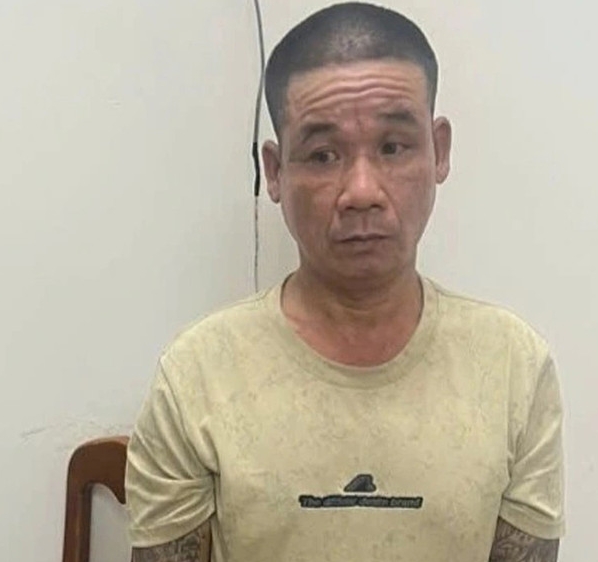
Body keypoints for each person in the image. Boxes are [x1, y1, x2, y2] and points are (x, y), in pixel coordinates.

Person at [125, 3, 565, 561]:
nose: (361, 191)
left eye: (392, 147)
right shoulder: (198, 375)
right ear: (275, 171)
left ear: (439, 152)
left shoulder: (512, 366)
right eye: (323, 155)